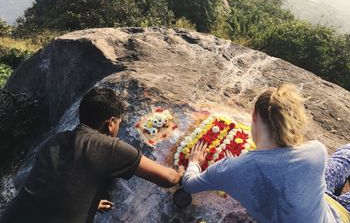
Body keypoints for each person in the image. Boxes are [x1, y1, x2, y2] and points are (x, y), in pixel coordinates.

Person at [0, 87, 181, 223]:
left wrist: (88, 202)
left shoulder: (54, 140)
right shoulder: (110, 147)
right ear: (110, 123)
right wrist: (192, 166)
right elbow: (169, 178)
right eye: (119, 123)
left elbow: (54, 183)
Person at [182, 83, 350, 222]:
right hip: (328, 213)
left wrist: (195, 163)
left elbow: (189, 184)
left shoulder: (229, 170)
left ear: (254, 115)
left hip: (323, 205)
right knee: (344, 157)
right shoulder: (315, 152)